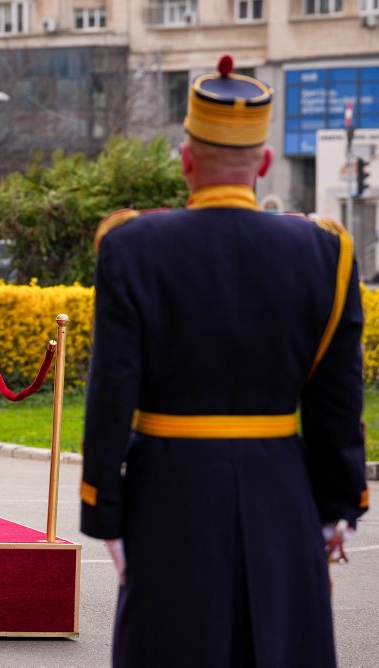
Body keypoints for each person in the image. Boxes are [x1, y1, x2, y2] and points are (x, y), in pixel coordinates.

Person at [80, 55, 368, 667]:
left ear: (185, 160)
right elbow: (337, 400)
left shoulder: (132, 248)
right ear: (263, 165)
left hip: (169, 494)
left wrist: (104, 510)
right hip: (282, 492)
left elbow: (111, 391)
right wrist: (340, 505)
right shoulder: (325, 253)